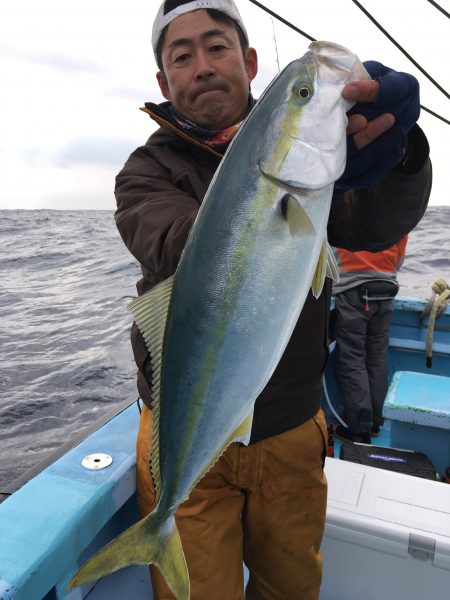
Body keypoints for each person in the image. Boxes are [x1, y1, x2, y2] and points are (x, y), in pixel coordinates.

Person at [114, 1, 432, 598]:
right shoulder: (145, 171)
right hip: (183, 434)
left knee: (290, 589)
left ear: (250, 60)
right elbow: (173, 241)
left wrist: (400, 155)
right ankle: (157, 530)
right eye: (182, 56)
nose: (203, 65)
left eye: (218, 47)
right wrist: (271, 194)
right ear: (164, 81)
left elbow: (377, 225)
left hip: (289, 427)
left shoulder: (313, 169)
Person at [332, 236, 408, 444]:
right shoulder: (398, 212)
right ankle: (375, 422)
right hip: (386, 290)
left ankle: (359, 429)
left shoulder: (344, 209)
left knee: (352, 358)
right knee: (377, 358)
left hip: (352, 291)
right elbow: (399, 260)